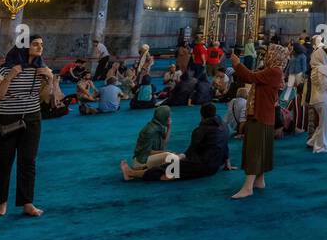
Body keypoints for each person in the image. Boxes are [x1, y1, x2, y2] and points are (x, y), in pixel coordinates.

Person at [0, 39, 52, 218]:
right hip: (6, 119)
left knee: (28, 161)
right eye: (35, 44)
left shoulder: (40, 71)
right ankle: (1, 204)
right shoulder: (3, 70)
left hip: (31, 119)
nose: (40, 47)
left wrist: (50, 79)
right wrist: (10, 77)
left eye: (41, 44)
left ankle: (27, 202)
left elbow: (45, 99)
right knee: (3, 163)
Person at [229, 45, 289, 197]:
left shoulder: (274, 72)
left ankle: (248, 187)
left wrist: (237, 64)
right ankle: (259, 180)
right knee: (262, 149)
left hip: (260, 115)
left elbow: (250, 77)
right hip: (265, 115)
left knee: (254, 150)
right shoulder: (274, 71)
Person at [121, 103, 234, 181]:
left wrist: (179, 158)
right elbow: (224, 145)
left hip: (202, 166)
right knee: (173, 166)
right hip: (214, 167)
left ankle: (132, 173)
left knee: (167, 166)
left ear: (201, 115)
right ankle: (170, 175)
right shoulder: (224, 126)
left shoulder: (200, 130)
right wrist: (227, 163)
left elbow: (190, 151)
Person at [307, 43, 327, 153]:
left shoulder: (314, 68)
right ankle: (320, 146)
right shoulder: (322, 68)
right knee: (325, 123)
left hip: (317, 98)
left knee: (326, 122)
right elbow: (325, 85)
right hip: (322, 98)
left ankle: (313, 141)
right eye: (325, 54)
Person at [128, 105, 171, 171]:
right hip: (141, 161)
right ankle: (173, 176)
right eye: (168, 116)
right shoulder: (150, 131)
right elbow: (146, 152)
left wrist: (169, 127)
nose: (169, 118)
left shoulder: (159, 127)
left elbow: (164, 144)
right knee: (172, 158)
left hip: (148, 158)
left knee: (178, 158)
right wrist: (164, 152)